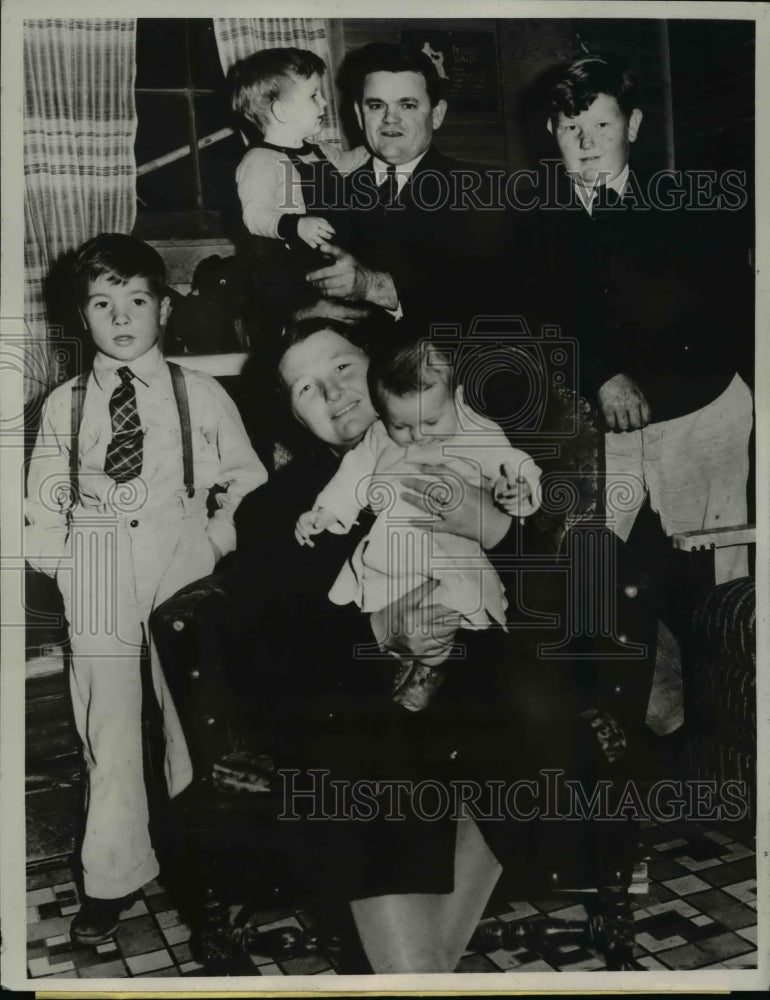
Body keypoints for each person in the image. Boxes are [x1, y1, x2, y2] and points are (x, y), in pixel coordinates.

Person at [210, 316, 645, 972]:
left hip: (480, 663)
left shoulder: (471, 449)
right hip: (359, 690)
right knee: (365, 748)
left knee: (521, 714)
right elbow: (269, 648)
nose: (332, 395)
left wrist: (494, 527)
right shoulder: (276, 511)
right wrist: (383, 628)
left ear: (381, 368)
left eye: (342, 369)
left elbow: (571, 607)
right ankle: (418, 973)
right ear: (294, 418)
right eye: (305, 389)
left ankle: (415, 973)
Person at [24, 234, 267, 944]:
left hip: (179, 550)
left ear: (164, 307)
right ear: (82, 317)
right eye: (103, 304)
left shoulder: (202, 394)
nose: (121, 317)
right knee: (109, 726)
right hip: (95, 559)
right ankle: (113, 875)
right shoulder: (65, 405)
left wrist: (214, 539)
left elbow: (247, 482)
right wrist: (68, 564)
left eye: (136, 300)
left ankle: (210, 875)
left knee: (193, 718)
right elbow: (39, 507)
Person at [517, 54, 753, 586]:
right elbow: (537, 319)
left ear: (635, 126)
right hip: (598, 422)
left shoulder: (690, 206)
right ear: (552, 131)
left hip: (701, 414)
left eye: (603, 124)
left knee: (719, 581)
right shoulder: (530, 220)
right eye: (572, 127)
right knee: (588, 583)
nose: (587, 142)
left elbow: (724, 317)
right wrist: (600, 373)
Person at [295, 332, 542, 710]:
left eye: (430, 420)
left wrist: (519, 492)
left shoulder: (476, 432)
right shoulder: (379, 436)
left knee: (450, 602)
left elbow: (515, 462)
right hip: (394, 548)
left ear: (456, 397)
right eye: (402, 426)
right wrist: (325, 512)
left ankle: (432, 666)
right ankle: (402, 663)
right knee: (377, 593)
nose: (416, 436)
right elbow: (354, 473)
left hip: (450, 546)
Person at [304, 43, 503, 323]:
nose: (389, 119)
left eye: (407, 105)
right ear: (360, 116)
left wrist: (374, 287)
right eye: (376, 105)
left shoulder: (487, 189)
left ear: (436, 114)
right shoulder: (326, 192)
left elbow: (491, 294)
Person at [230, 48, 367, 249]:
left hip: (333, 254)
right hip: (289, 265)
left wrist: (380, 143)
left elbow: (352, 161)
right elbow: (255, 216)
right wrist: (296, 226)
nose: (324, 102)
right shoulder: (260, 160)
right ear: (282, 111)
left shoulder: (321, 151)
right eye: (314, 95)